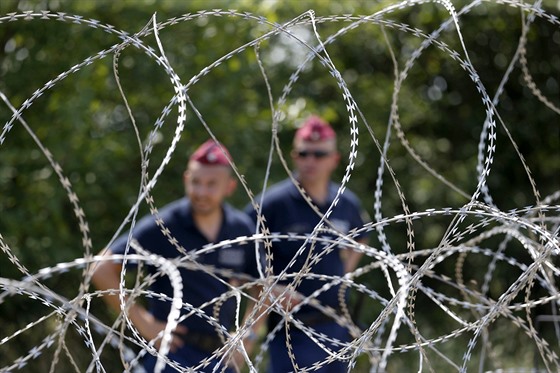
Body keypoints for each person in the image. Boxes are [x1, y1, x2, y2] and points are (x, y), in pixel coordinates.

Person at [91, 139, 262, 373]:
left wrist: (246, 337)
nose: (201, 192)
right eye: (195, 182)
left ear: (229, 187)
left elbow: (263, 287)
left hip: (221, 357)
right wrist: (145, 324)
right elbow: (101, 268)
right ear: (186, 179)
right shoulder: (164, 226)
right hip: (173, 355)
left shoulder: (240, 229)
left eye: (211, 184)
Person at [245, 115, 369, 373]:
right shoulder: (271, 204)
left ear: (334, 160)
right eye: (304, 153)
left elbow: (361, 237)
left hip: (335, 326)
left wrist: (344, 274)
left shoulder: (345, 203)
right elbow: (240, 249)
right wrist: (268, 286)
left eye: (319, 154)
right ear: (294, 156)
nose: (310, 160)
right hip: (291, 328)